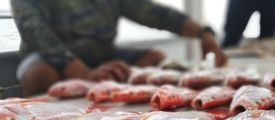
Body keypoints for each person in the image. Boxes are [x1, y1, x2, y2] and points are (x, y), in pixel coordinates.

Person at [11, 0, 227, 96]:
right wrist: (83, 72)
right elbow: (35, 30)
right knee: (39, 74)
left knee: (155, 59)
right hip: (49, 58)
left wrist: (203, 33)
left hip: (102, 54)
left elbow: (150, 11)